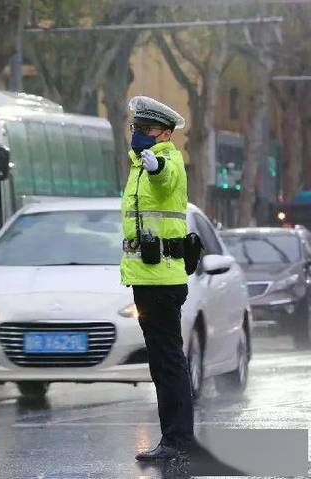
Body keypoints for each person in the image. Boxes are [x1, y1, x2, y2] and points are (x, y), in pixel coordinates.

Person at [120, 96, 194, 461]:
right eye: (136, 129)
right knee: (162, 361)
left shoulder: (169, 160)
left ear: (165, 133)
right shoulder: (136, 167)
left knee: (167, 360)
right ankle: (175, 438)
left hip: (163, 278)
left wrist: (155, 167)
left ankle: (178, 441)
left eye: (146, 130)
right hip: (146, 277)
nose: (139, 135)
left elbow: (167, 180)